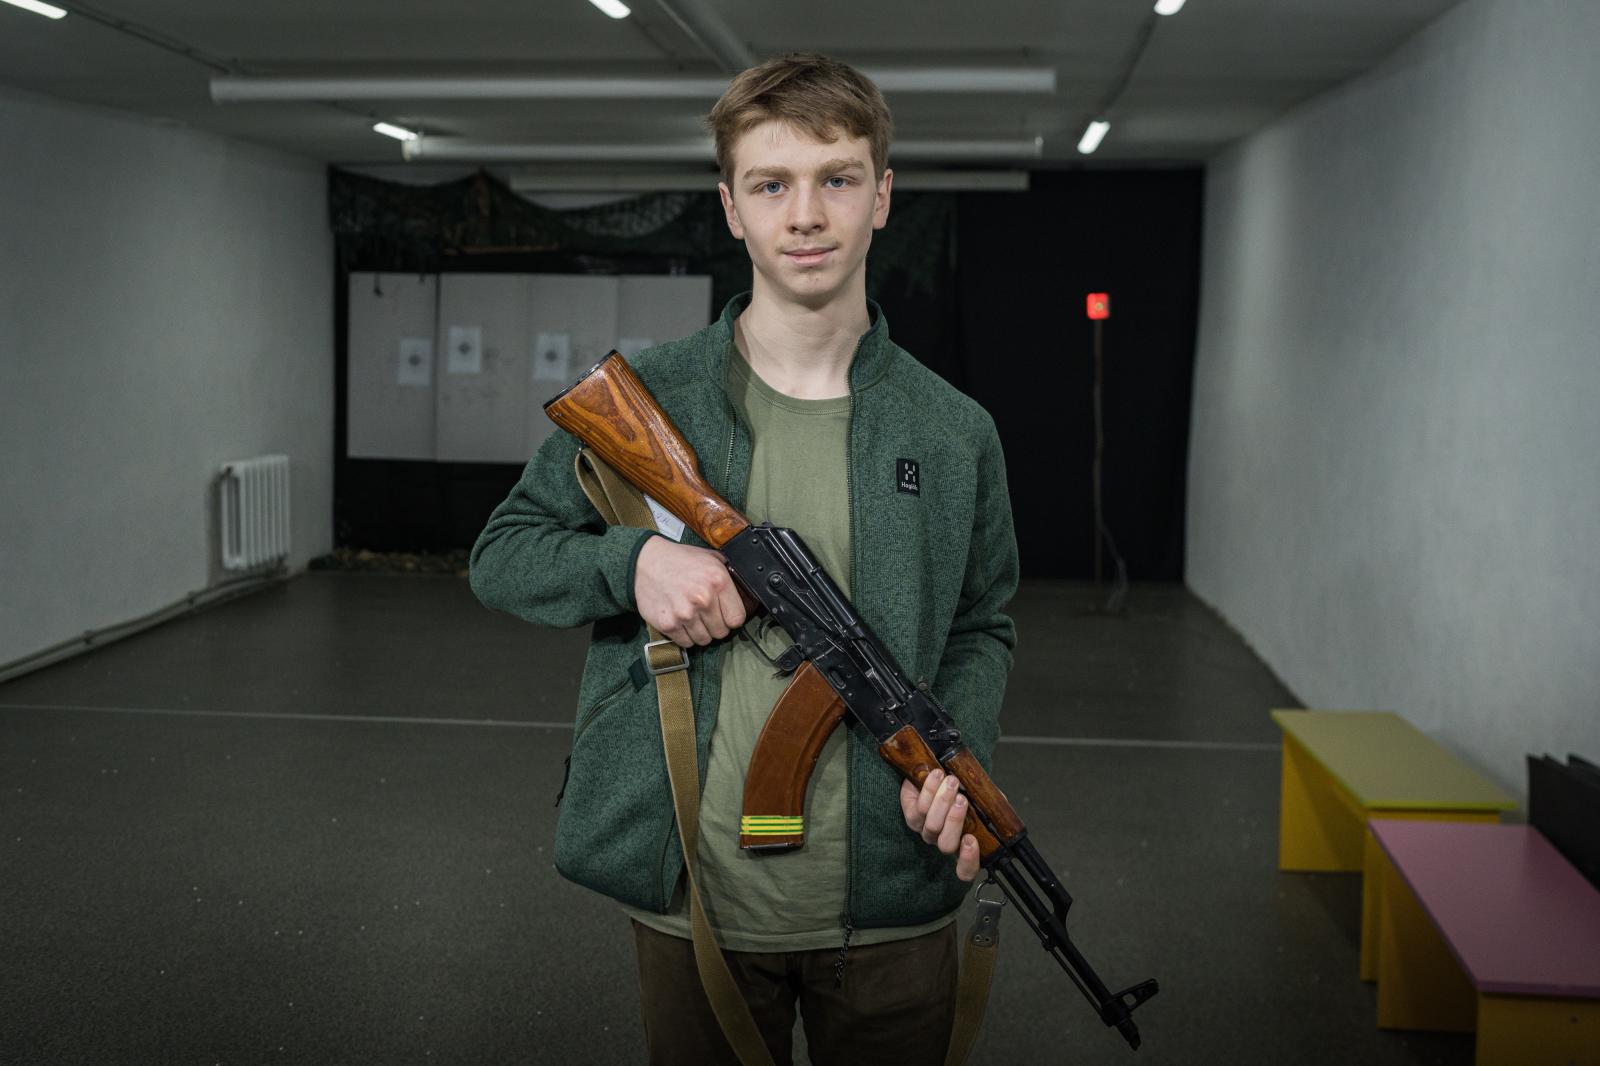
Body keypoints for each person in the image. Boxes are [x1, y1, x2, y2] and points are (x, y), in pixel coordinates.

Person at [469, 53, 1019, 1066]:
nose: (804, 215)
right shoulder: (653, 395)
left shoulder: (953, 430)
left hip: (895, 903)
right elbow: (501, 553)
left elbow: (985, 621)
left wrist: (951, 755)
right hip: (697, 902)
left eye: (836, 178)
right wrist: (630, 566)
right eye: (771, 184)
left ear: (882, 196)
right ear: (730, 208)